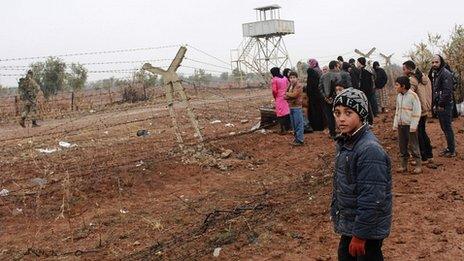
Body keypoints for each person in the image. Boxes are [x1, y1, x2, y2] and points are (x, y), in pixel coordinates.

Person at [331, 88, 392, 260]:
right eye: (337, 112)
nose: (341, 118)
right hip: (353, 224)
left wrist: (360, 236)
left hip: (366, 230)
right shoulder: (347, 141)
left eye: (348, 113)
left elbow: (373, 197)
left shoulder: (369, 150)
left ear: (361, 114)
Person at [403, 60, 434, 164]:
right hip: (425, 108)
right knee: (423, 132)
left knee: (418, 134)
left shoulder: (412, 80)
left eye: (404, 69)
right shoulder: (424, 76)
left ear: (409, 69)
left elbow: (409, 96)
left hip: (417, 111)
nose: (403, 71)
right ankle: (429, 155)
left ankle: (422, 157)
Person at [393, 76, 422, 174]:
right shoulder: (399, 96)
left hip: (410, 125)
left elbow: (417, 111)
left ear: (403, 86)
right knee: (402, 146)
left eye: (397, 85)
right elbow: (397, 110)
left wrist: (414, 125)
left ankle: (418, 165)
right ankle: (403, 166)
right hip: (401, 125)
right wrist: (395, 123)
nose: (395, 87)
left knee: (413, 145)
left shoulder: (413, 96)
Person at [428, 55, 456, 157]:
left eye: (436, 62)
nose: (434, 64)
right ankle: (449, 148)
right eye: (433, 62)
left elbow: (447, 91)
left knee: (447, 128)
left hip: (445, 105)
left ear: (441, 62)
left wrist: (440, 104)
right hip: (439, 104)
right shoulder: (436, 73)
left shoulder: (445, 73)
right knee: (444, 127)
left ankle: (452, 150)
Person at [319, 60, 341, 138]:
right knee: (338, 114)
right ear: (335, 66)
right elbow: (339, 88)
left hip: (326, 99)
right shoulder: (338, 75)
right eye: (338, 66)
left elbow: (320, 87)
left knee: (329, 116)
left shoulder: (323, 76)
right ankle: (341, 131)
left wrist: (325, 97)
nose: (339, 67)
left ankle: (332, 133)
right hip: (336, 99)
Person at [285, 71, 305, 146]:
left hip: (297, 107)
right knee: (294, 124)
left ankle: (300, 140)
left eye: (294, 77)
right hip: (291, 107)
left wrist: (287, 95)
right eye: (291, 78)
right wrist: (288, 95)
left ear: (297, 78)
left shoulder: (299, 85)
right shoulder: (289, 85)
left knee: (298, 123)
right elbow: (285, 95)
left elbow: (295, 95)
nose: (292, 79)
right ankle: (296, 138)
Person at [307, 59, 326, 131]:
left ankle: (316, 127)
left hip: (314, 96)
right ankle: (320, 126)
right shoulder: (318, 71)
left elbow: (311, 86)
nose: (309, 64)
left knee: (315, 111)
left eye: (309, 63)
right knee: (319, 110)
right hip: (319, 94)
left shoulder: (313, 71)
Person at [270, 67, 291, 134]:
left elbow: (274, 90)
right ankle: (288, 127)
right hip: (286, 97)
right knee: (287, 112)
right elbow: (289, 86)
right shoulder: (284, 78)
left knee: (280, 113)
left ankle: (282, 129)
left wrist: (275, 97)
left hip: (279, 97)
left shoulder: (274, 79)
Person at [357, 57, 377, 125]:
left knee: (367, 107)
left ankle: (370, 121)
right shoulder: (367, 69)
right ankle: (369, 121)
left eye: (357, 62)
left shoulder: (364, 71)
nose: (357, 64)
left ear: (360, 62)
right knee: (368, 106)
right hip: (369, 90)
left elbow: (366, 83)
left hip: (366, 91)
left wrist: (363, 91)